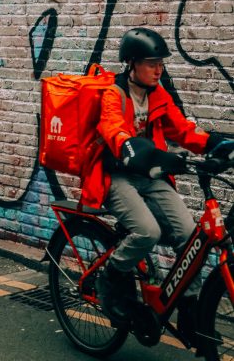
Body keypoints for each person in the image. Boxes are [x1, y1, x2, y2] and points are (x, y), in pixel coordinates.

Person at [88, 27, 233, 337]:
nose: (159, 70)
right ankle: (110, 281)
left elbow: (181, 130)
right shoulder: (114, 93)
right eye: (152, 63)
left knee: (190, 236)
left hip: (149, 176)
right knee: (147, 231)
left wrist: (215, 145)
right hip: (116, 177)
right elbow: (116, 132)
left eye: (161, 63)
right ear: (132, 63)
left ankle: (189, 308)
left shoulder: (158, 94)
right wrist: (149, 153)